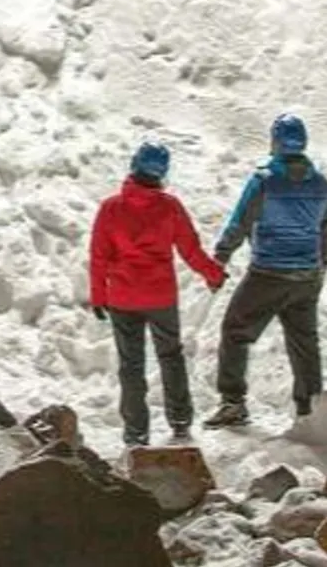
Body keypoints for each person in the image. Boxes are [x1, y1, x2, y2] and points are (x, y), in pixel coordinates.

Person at [204, 113, 327, 429]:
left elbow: (240, 223)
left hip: (267, 274)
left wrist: (220, 259)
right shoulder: (321, 185)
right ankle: (309, 410)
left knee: (235, 331)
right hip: (306, 277)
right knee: (304, 343)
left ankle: (233, 403)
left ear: (276, 142)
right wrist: (321, 264)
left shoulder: (264, 181)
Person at [90, 140, 225, 447]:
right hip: (160, 297)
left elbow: (98, 255)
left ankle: (136, 433)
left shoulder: (111, 209)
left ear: (134, 165)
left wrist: (99, 296)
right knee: (171, 357)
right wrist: (213, 274)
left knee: (131, 365)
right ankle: (179, 422)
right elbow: (190, 249)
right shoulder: (170, 207)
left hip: (123, 298)